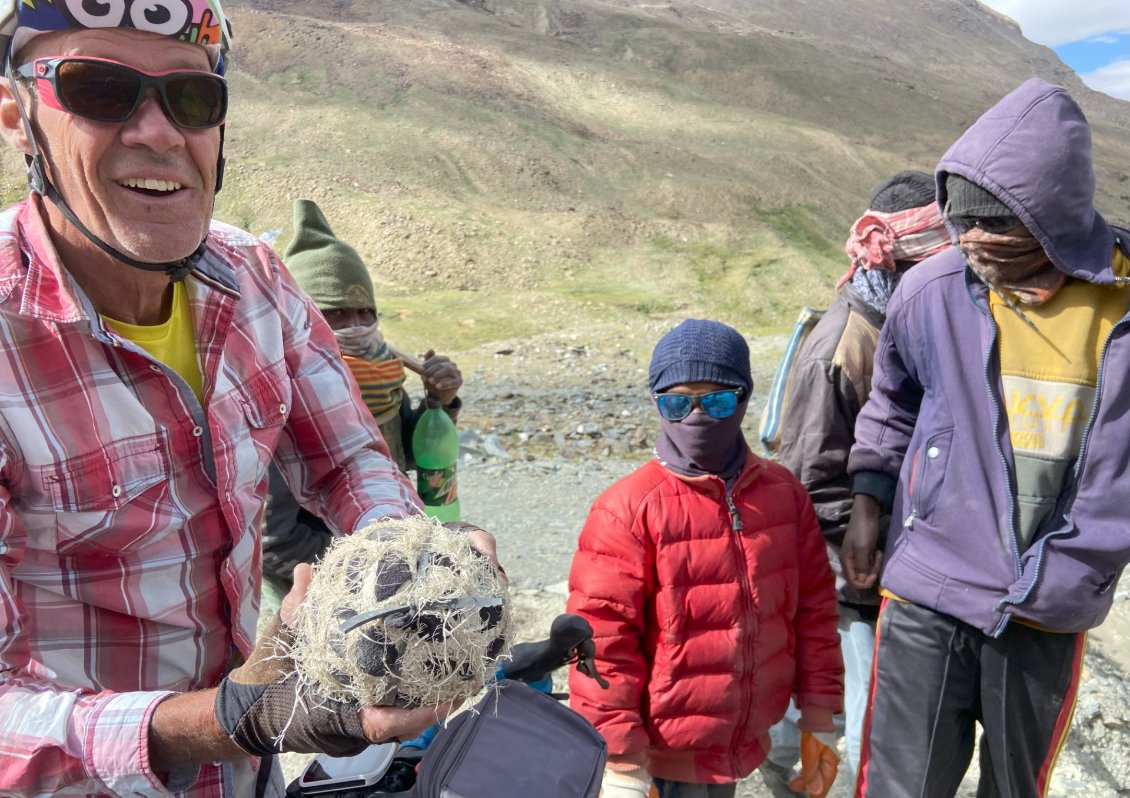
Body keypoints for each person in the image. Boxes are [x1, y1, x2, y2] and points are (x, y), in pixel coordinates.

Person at [0, 5, 497, 796]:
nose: (158, 132)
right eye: (100, 90)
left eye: (191, 99)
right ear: (19, 120)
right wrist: (224, 720)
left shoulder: (254, 278)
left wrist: (414, 564)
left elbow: (347, 457)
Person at [842, 78, 1130, 798]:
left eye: (992, 225)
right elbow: (893, 399)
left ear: (1052, 219)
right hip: (929, 591)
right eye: (958, 223)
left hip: (1047, 608)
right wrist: (870, 502)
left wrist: (1080, 571)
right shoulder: (932, 289)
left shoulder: (1120, 308)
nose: (970, 242)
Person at [566, 319, 844, 798]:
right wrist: (621, 759)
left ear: (743, 397)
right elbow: (601, 643)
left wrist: (820, 718)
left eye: (716, 401)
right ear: (658, 403)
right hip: (656, 756)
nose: (697, 417)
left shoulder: (783, 496)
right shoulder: (628, 508)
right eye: (678, 403)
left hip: (741, 743)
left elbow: (815, 614)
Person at [760, 170, 950, 796]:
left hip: (892, 561)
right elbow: (809, 487)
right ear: (901, 260)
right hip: (853, 572)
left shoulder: (904, 322)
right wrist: (886, 534)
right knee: (862, 710)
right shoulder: (841, 349)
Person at [259, 198, 464, 611]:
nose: (356, 327)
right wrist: (378, 557)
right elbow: (274, 543)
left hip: (376, 561)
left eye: (365, 312)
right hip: (303, 592)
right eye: (336, 315)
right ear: (303, 319)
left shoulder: (384, 379)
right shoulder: (281, 406)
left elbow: (404, 454)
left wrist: (439, 405)